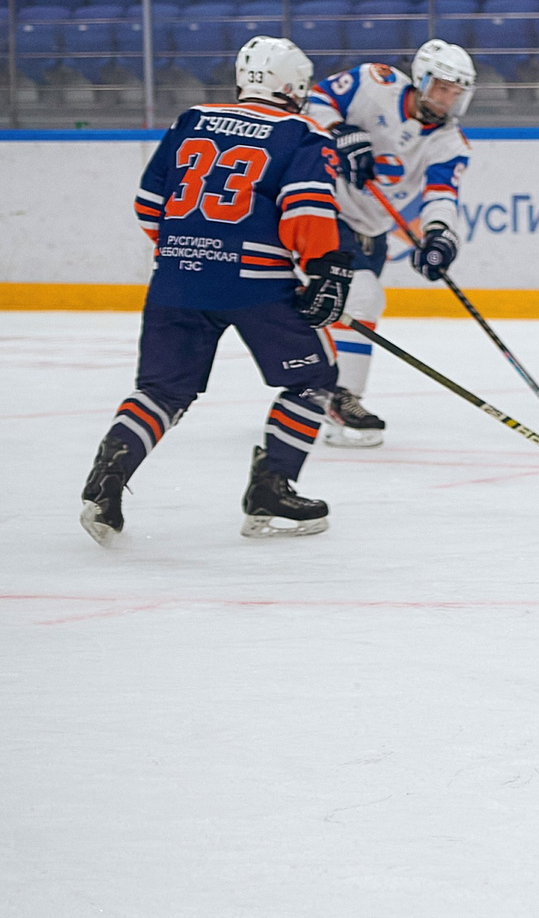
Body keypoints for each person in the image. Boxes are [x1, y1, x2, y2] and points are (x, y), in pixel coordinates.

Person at [78, 37, 354, 546]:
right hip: (257, 284)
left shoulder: (191, 119)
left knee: (162, 390)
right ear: (294, 86)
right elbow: (307, 210)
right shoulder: (303, 133)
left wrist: (194, 251)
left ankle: (107, 477)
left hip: (176, 277)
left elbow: (147, 206)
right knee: (315, 378)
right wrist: (324, 270)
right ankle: (272, 488)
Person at [305, 39, 476, 447]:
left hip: (374, 228)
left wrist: (438, 236)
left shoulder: (449, 142)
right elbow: (314, 100)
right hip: (327, 210)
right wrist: (340, 131)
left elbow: (440, 196)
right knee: (363, 297)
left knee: (351, 312)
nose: (448, 99)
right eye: (442, 88)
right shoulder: (372, 82)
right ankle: (343, 400)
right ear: (421, 79)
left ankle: (315, 394)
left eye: (456, 92)